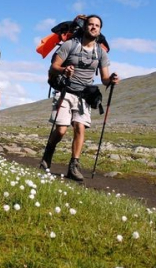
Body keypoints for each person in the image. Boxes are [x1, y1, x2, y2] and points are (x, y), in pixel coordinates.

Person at [40, 14, 120, 180]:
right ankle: (48, 152)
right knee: (61, 130)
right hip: (65, 91)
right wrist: (64, 70)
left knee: (80, 127)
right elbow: (54, 66)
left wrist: (111, 80)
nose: (93, 27)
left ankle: (74, 166)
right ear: (85, 27)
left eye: (97, 26)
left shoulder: (101, 53)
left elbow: (104, 79)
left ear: (99, 30)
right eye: (91, 24)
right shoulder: (70, 45)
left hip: (84, 95)